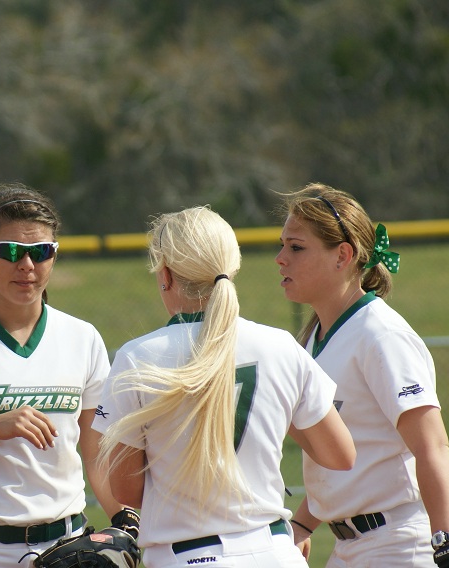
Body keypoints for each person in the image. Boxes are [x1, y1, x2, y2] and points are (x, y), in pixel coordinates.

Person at [93, 205, 357, 568]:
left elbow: (126, 491)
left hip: (187, 556)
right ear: (232, 267)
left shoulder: (138, 357)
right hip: (275, 552)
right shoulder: (280, 345)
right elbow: (340, 455)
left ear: (165, 275)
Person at [0, 183, 139, 568]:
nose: (27, 265)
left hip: (68, 546)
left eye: (41, 252)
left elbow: (95, 451)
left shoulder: (82, 338)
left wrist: (124, 517)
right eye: (11, 251)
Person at [276, 183, 449, 567]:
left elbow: (431, 446)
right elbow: (352, 457)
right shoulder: (315, 339)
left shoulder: (381, 335)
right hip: (353, 547)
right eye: (282, 245)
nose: (281, 258)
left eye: (296, 247)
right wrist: (302, 524)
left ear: (342, 255)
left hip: (402, 544)